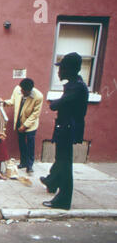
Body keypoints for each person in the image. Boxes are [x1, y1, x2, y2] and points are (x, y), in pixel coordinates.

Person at [40, 52, 89, 210]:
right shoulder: (75, 84)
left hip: (68, 129)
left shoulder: (76, 87)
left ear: (69, 69)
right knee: (61, 159)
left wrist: (55, 102)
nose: (59, 72)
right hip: (65, 128)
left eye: (62, 69)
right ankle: (52, 181)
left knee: (65, 163)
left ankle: (63, 199)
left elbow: (57, 104)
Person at [0, 78, 43, 173]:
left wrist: (25, 126)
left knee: (30, 143)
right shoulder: (17, 89)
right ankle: (23, 162)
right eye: (21, 90)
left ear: (30, 90)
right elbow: (13, 101)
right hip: (19, 120)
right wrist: (4, 102)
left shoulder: (38, 96)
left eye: (24, 91)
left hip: (31, 123)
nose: (21, 92)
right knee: (21, 142)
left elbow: (35, 114)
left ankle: (30, 165)